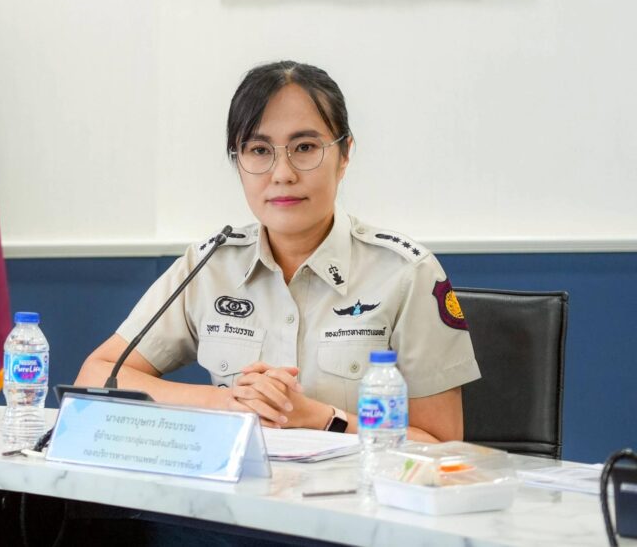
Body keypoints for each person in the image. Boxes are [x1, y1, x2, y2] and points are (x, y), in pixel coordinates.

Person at [76, 61, 480, 442]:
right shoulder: (209, 266)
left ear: (344, 154)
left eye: (304, 147)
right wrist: (228, 402)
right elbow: (96, 376)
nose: (283, 174)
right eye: (259, 150)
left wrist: (323, 419)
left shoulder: (406, 273)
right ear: (238, 161)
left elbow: (442, 445)